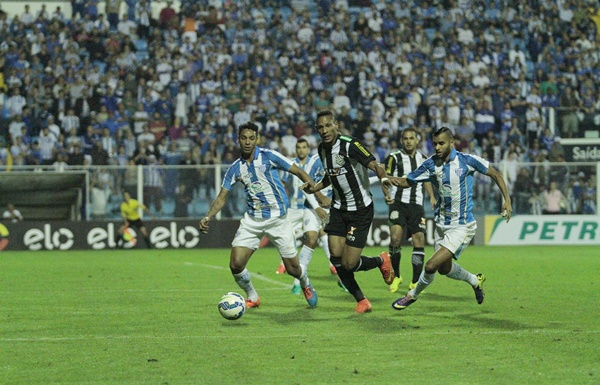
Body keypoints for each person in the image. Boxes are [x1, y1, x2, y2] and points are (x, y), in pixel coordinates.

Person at [390, 127, 512, 311]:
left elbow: (496, 174)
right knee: (444, 269)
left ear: (451, 143)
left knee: (430, 265)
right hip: (441, 224)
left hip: (462, 226)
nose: (437, 147)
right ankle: (474, 280)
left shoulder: (467, 161)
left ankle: (411, 296)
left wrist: (507, 200)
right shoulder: (431, 164)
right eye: (435, 144)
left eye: (441, 143)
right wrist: (387, 178)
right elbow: (408, 181)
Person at [199, 122, 319, 309]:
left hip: (278, 219)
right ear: (238, 139)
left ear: (257, 139)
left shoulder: (269, 156)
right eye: (244, 138)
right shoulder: (235, 168)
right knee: (236, 264)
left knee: (293, 269)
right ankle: (252, 296)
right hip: (253, 220)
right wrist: (208, 216)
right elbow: (222, 197)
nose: (247, 142)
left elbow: (297, 170)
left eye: (251, 138)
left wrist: (317, 193)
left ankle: (305, 282)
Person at [303, 109, 394, 313]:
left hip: (360, 210)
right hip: (338, 208)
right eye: (320, 127)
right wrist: (316, 188)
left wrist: (384, 178)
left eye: (328, 125)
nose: (325, 130)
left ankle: (381, 260)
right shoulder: (322, 150)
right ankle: (361, 300)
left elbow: (375, 165)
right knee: (336, 259)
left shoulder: (350, 145)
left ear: (336, 125)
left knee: (349, 263)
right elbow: (330, 176)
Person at [276, 138, 338, 294]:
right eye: (299, 147)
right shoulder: (291, 163)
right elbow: (284, 184)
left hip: (315, 206)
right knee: (293, 235)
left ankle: (336, 268)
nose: (301, 150)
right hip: (297, 207)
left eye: (304, 147)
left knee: (322, 235)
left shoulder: (320, 161)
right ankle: (291, 269)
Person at [383, 128, 437, 293]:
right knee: (395, 238)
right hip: (397, 203)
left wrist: (432, 196)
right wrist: (386, 194)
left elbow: (426, 179)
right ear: (401, 140)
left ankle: (415, 281)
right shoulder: (393, 157)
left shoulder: (423, 158)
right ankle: (397, 275)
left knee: (419, 239)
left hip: (416, 205)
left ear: (417, 140)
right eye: (405, 138)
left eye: (411, 138)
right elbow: (384, 178)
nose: (408, 141)